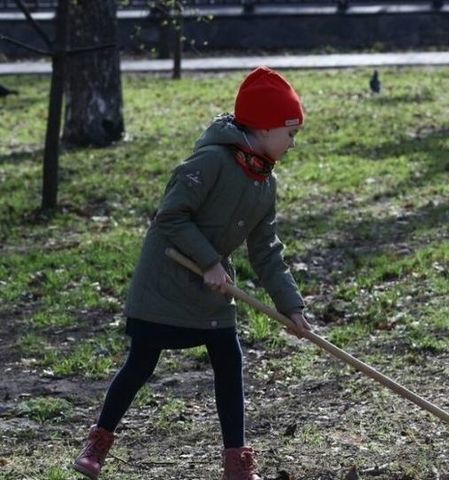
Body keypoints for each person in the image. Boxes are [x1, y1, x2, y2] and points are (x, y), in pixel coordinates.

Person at [72, 66, 312, 480]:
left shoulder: (264, 182)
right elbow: (171, 217)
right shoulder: (211, 161)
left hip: (210, 291)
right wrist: (209, 261)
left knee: (228, 360)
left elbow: (267, 252)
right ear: (265, 127)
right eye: (289, 133)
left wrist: (291, 306)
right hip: (165, 282)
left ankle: (236, 461)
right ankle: (98, 442)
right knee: (141, 363)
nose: (292, 143)